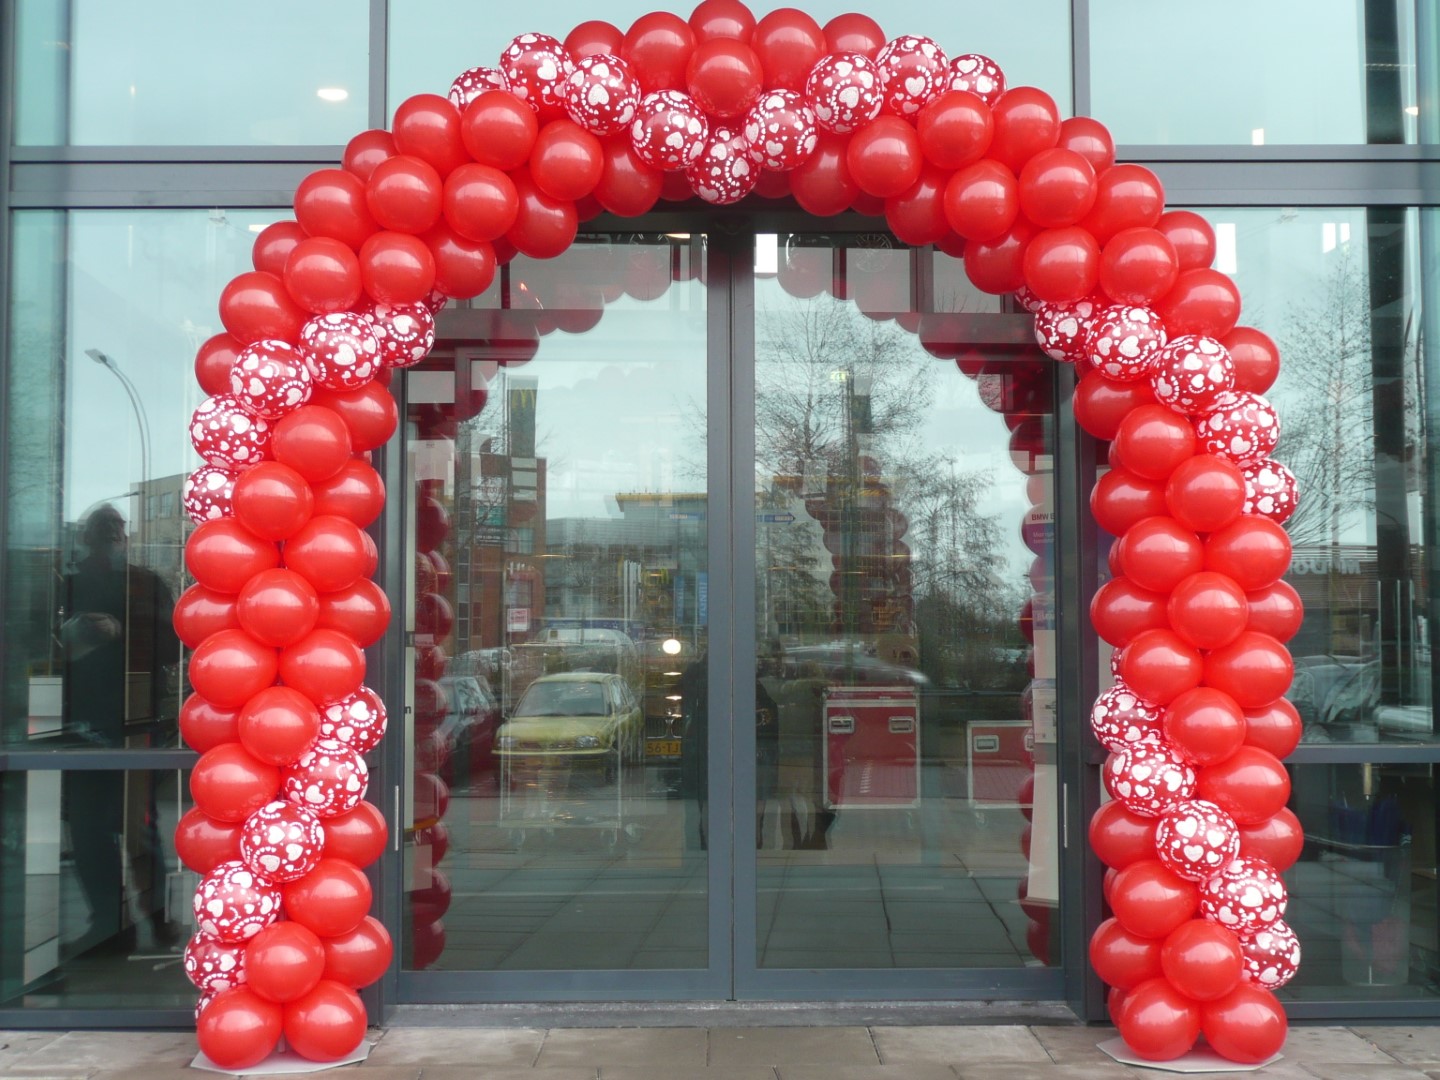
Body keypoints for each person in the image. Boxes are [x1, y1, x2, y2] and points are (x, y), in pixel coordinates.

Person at [60, 503, 181, 953]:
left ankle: (157, 919)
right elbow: (48, 648)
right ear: (89, 537)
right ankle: (112, 925)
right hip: (84, 721)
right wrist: (77, 633)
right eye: (102, 530)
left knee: (138, 827)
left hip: (134, 719)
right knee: (92, 831)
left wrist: (123, 630)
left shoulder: (145, 582)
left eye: (116, 529)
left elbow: (171, 648)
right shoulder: (70, 585)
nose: (111, 536)